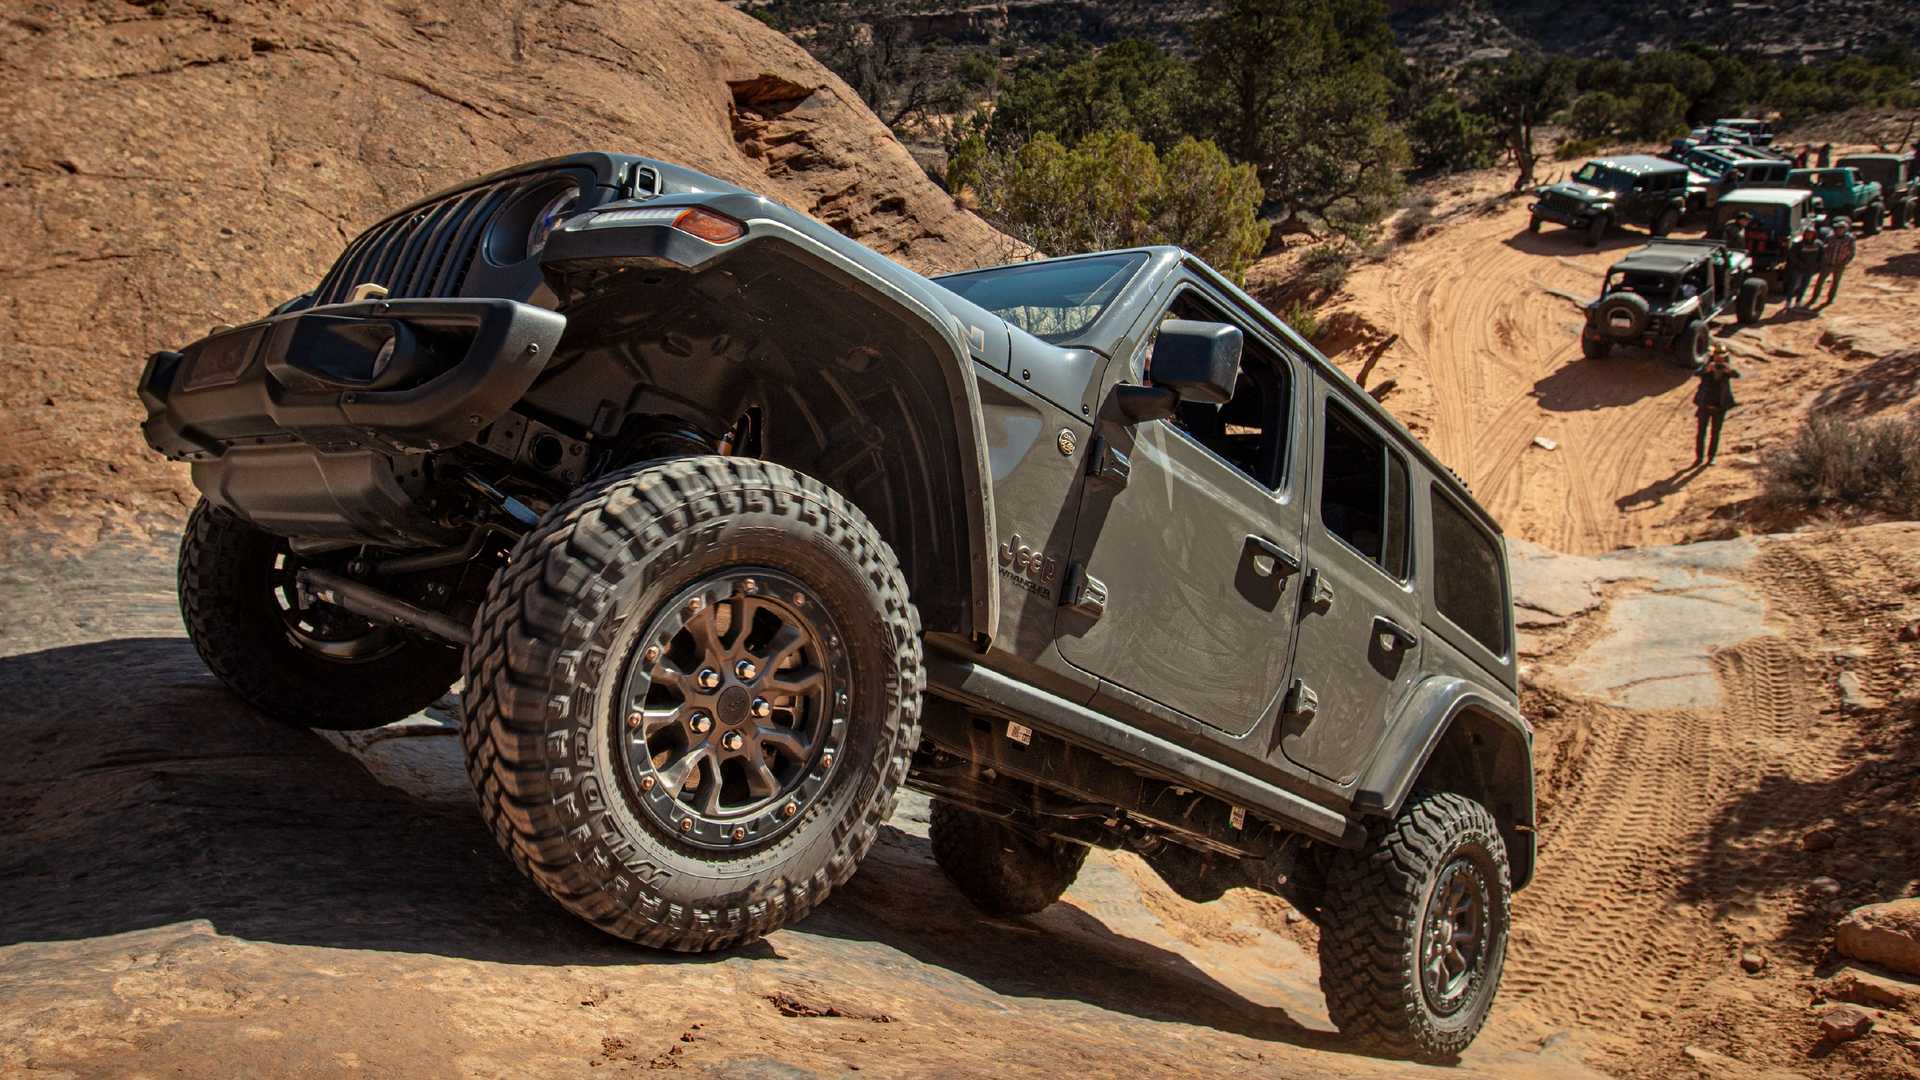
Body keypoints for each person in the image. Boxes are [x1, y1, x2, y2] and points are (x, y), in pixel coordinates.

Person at [1692, 347, 1740, 466]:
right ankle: (1699, 457)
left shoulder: (1726, 367)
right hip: (1705, 404)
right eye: (1717, 356)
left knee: (1715, 432)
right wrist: (1707, 370)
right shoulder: (1707, 365)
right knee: (1701, 432)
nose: (1719, 359)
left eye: (1722, 357)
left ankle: (1711, 457)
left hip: (1720, 405)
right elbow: (1696, 373)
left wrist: (1729, 371)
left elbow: (1737, 375)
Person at [1786, 223, 1825, 309]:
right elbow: (1792, 255)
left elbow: (1822, 255)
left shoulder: (1818, 244)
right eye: (1807, 234)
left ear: (1814, 235)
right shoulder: (1798, 244)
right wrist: (1799, 264)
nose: (1809, 236)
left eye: (1811, 234)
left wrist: (1818, 265)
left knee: (1804, 286)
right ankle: (1788, 301)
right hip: (1798, 269)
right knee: (1793, 285)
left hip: (1810, 269)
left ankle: (1798, 301)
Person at [1819, 218, 1855, 307]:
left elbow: (1852, 252)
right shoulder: (1830, 237)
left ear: (1845, 229)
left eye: (1841, 228)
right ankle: (1814, 297)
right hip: (1828, 263)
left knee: (1835, 282)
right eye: (1838, 228)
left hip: (1839, 264)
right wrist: (1824, 259)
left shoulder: (1850, 239)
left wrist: (1845, 262)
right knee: (1820, 281)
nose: (1839, 230)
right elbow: (1823, 249)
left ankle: (1830, 299)